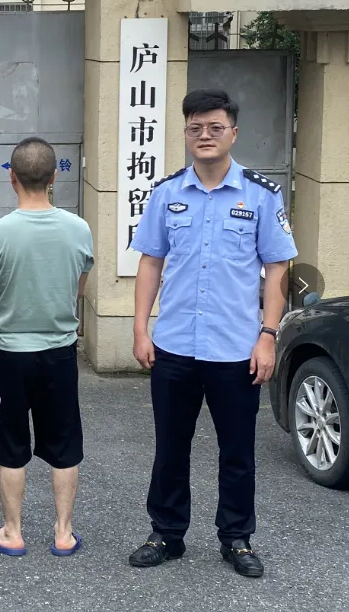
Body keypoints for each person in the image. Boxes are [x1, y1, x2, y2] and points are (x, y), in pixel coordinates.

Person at [128, 89, 297, 578]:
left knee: (238, 452)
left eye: (215, 127)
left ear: (233, 133)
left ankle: (237, 538)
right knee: (170, 447)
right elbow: (150, 262)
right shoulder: (166, 193)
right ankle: (166, 533)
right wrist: (140, 328)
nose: (205, 135)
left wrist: (268, 336)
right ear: (186, 133)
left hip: (236, 349)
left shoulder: (261, 195)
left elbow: (278, 267)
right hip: (175, 345)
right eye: (196, 127)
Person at [0, 137, 94, 559]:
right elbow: (78, 289)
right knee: (64, 443)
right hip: (59, 351)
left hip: (9, 352)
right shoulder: (79, 229)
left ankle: (12, 532)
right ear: (54, 177)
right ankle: (64, 533)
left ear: (12, 177)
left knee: (9, 444)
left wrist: (11, 313)